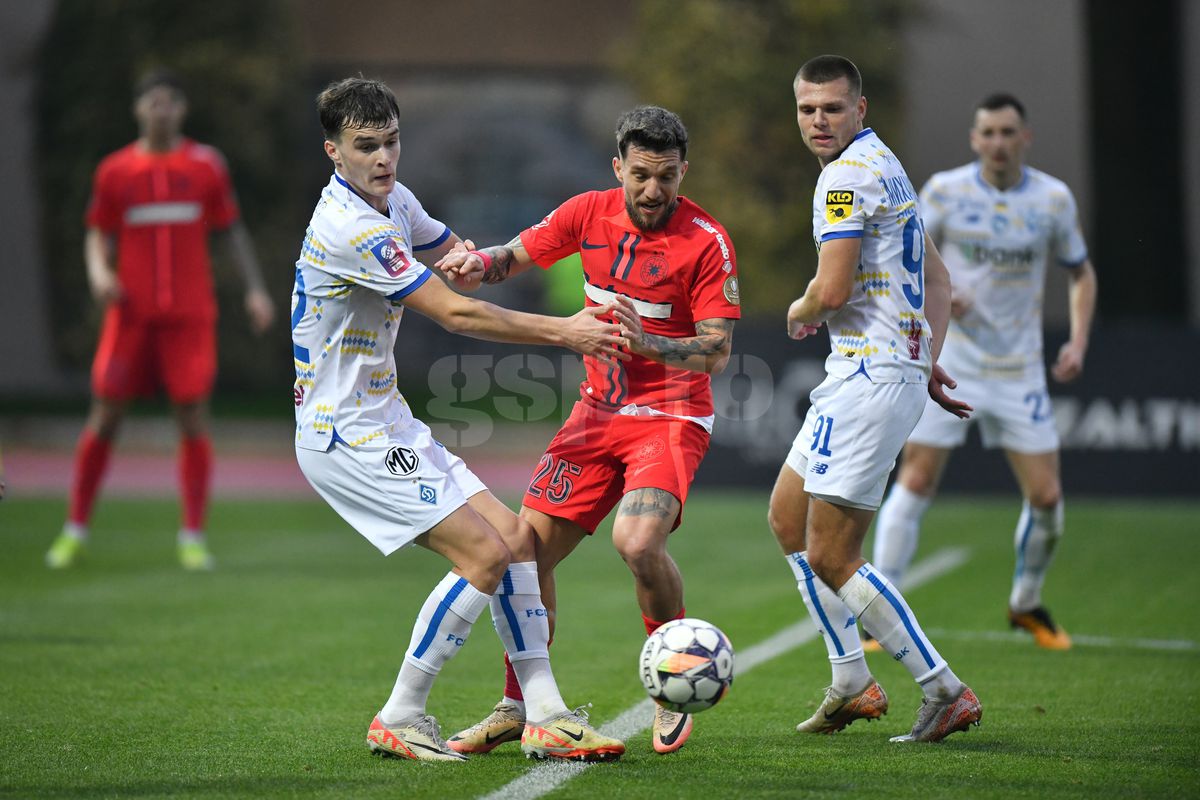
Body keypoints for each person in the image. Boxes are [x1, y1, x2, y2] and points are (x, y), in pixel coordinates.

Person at [292, 77, 630, 763]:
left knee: (515, 539)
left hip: (384, 419)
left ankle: (545, 714)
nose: (384, 157)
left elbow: (453, 258)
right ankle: (401, 712)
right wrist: (566, 331)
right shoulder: (350, 226)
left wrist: (470, 258)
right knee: (485, 555)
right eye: (365, 147)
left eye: (390, 142)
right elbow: (455, 312)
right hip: (344, 433)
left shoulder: (391, 199)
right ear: (334, 152)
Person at [436, 106, 741, 756]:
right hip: (595, 416)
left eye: (666, 176)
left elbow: (715, 352)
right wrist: (474, 264)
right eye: (640, 174)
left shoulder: (706, 240)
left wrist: (648, 341)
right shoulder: (587, 212)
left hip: (671, 415)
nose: (653, 189)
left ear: (683, 171)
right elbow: (513, 255)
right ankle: (519, 708)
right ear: (618, 169)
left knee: (636, 542)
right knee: (522, 553)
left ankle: (673, 675)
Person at [767, 55, 982, 743]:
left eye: (832, 107)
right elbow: (940, 282)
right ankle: (851, 679)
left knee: (833, 554)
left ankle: (943, 689)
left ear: (861, 109)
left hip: (868, 378)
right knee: (786, 518)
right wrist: (926, 360)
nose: (818, 121)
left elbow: (829, 294)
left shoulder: (846, 178)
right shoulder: (886, 166)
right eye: (807, 109)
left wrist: (798, 307)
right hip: (876, 372)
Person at [871, 93, 1097, 650]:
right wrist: (944, 291)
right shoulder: (946, 190)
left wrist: (1078, 340)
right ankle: (880, 612)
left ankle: (1026, 602)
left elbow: (1080, 273)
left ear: (1026, 138)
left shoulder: (1052, 199)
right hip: (955, 362)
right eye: (988, 133)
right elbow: (906, 253)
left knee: (1046, 498)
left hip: (1019, 370)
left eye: (1007, 132)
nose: (997, 142)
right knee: (917, 478)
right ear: (975, 140)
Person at [45, 69, 275, 571]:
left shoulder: (206, 166)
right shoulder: (115, 171)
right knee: (105, 415)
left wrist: (255, 290)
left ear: (182, 109)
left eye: (171, 101)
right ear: (138, 109)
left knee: (192, 415)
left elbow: (230, 231)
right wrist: (99, 273)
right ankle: (74, 529)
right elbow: (95, 232)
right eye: (153, 102)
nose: (162, 110)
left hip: (189, 316)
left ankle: (192, 536)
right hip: (130, 316)